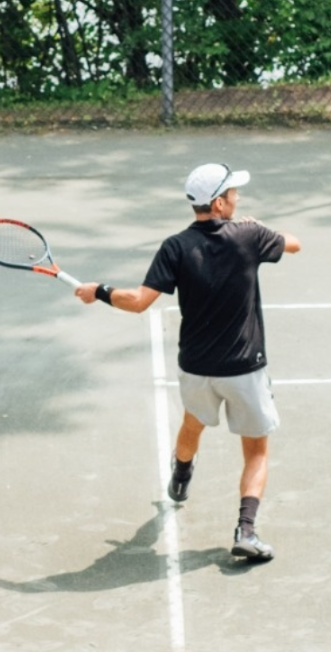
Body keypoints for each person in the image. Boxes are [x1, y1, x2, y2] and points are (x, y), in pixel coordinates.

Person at [77, 162, 298, 564]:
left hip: (196, 368)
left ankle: (181, 474)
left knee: (192, 424)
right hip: (245, 369)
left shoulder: (175, 247)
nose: (238, 198)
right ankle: (246, 531)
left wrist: (100, 291)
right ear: (218, 203)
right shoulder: (249, 235)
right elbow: (295, 243)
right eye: (233, 193)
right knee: (257, 452)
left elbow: (139, 301)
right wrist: (260, 226)